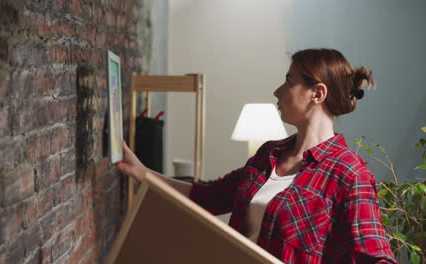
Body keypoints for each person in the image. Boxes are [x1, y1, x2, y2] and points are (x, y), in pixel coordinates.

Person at [115, 48, 397, 263]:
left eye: (289, 81)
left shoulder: (350, 175)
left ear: (317, 94)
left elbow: (377, 258)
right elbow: (206, 196)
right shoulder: (268, 154)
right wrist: (143, 172)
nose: (278, 91)